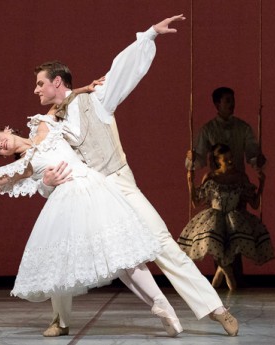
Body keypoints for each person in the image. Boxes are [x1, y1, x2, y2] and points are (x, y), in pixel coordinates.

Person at [30, 15, 239, 336]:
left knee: (162, 246)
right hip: (87, 194)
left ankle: (216, 308)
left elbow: (121, 72)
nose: (36, 90)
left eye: (40, 83)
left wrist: (149, 36)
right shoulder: (48, 123)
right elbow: (44, 163)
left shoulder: (94, 99)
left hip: (119, 185)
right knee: (62, 245)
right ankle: (60, 318)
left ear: (57, 82)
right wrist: (46, 183)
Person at [0, 113, 184, 337]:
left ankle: (163, 306)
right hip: (67, 202)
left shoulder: (43, 123)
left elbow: (64, 98)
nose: (1, 145)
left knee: (123, 253)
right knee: (61, 262)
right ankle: (61, 320)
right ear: (4, 155)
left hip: (94, 189)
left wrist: (88, 87)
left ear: (7, 130)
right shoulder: (23, 166)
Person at [185, 87, 267, 287]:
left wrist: (259, 161)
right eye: (227, 100)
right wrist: (191, 160)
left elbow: (253, 155)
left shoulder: (243, 128)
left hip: (237, 186)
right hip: (216, 188)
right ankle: (225, 280)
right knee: (218, 234)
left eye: (233, 100)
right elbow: (198, 161)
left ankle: (233, 278)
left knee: (236, 234)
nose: (232, 104)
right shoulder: (207, 130)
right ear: (217, 104)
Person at [178, 144, 275, 290]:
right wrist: (190, 182)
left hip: (234, 219)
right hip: (214, 218)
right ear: (217, 160)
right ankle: (228, 277)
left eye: (231, 158)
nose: (230, 161)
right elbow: (196, 202)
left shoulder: (240, 177)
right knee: (212, 240)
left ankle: (220, 281)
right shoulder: (211, 177)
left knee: (233, 245)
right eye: (226, 159)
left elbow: (254, 204)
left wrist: (262, 183)